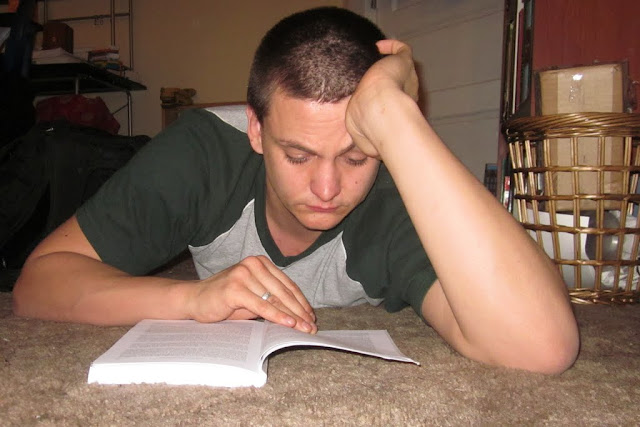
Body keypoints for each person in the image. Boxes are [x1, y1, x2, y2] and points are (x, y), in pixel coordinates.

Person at [12, 7, 579, 374]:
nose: (327, 188)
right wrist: (191, 300)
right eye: (298, 155)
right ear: (257, 130)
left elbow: (541, 346)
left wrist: (394, 114)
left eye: (355, 156)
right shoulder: (203, 154)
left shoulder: (396, 192)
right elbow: (39, 284)